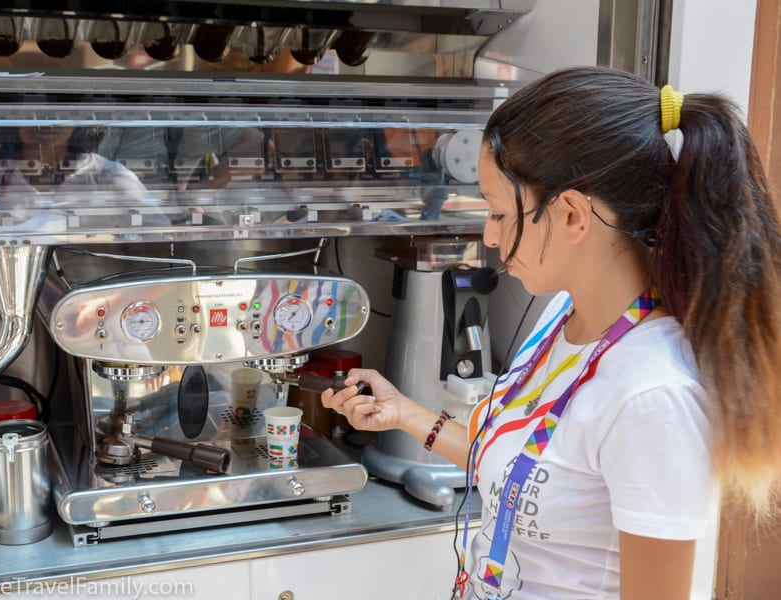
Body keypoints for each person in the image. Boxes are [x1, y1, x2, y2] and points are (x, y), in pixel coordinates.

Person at [322, 65, 781, 600]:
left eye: (499, 213)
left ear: (570, 215)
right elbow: (531, 466)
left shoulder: (653, 397)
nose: (491, 238)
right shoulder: (561, 319)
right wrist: (406, 414)